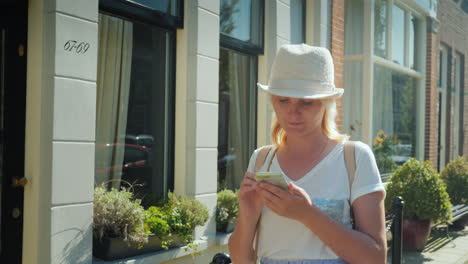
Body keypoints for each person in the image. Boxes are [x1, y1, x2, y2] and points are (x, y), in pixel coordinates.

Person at [228, 44, 387, 264]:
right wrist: (247, 214)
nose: (293, 112)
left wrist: (306, 214)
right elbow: (240, 260)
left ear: (326, 103)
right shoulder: (262, 159)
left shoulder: (354, 157)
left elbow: (376, 257)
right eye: (283, 100)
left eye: (306, 102)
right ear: (273, 101)